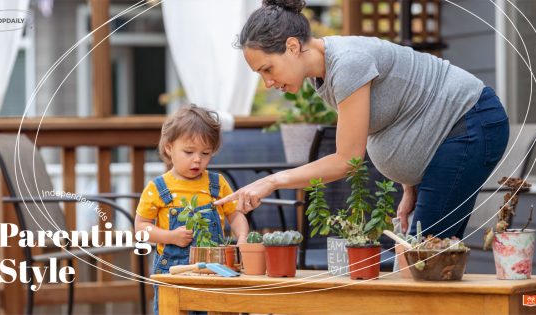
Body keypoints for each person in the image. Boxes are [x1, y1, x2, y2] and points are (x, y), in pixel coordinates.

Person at [215, 0, 509, 241]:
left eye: (267, 69)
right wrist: (410, 186)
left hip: (471, 124)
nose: (267, 82)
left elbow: (347, 159)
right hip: (452, 136)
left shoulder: (347, 64)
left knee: (418, 260)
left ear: (292, 47)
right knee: (429, 261)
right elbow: (403, 106)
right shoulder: (323, 73)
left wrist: (271, 182)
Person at [135, 105, 249, 315]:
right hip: (174, 272)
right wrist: (170, 236)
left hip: (215, 270)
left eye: (205, 153)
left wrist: (242, 236)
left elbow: (235, 214)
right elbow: (141, 228)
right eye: (189, 152)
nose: (197, 159)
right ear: (169, 148)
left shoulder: (217, 184)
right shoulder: (158, 188)